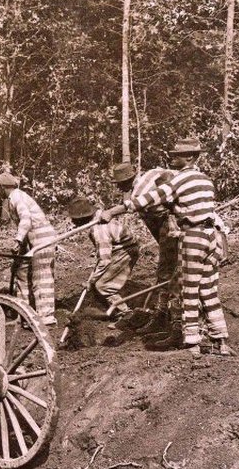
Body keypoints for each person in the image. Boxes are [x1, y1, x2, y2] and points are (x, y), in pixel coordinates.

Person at [99, 137, 231, 357]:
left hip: (194, 236)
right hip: (211, 237)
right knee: (208, 290)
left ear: (189, 156)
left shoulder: (179, 180)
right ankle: (221, 341)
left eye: (177, 156)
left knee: (189, 289)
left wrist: (112, 211)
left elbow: (148, 199)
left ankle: (192, 343)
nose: (173, 159)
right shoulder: (205, 180)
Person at [111, 161, 179, 329]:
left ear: (127, 180)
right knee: (169, 270)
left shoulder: (139, 192)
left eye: (119, 184)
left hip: (172, 224)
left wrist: (110, 212)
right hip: (171, 223)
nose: (118, 187)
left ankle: (164, 317)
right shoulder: (152, 173)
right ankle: (166, 314)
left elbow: (133, 206)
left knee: (167, 273)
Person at [0, 172, 58, 326]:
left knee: (41, 277)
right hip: (32, 241)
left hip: (43, 239)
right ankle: (25, 313)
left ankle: (46, 317)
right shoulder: (12, 199)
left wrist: (17, 240)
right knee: (21, 271)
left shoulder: (17, 196)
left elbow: (26, 219)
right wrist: (20, 250)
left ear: (3, 187)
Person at [68, 197, 140, 317]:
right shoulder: (98, 216)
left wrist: (91, 282)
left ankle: (126, 313)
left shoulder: (99, 231)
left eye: (75, 220)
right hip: (117, 248)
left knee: (103, 285)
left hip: (126, 250)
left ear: (82, 218)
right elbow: (103, 255)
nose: (73, 222)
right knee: (102, 279)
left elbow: (105, 261)